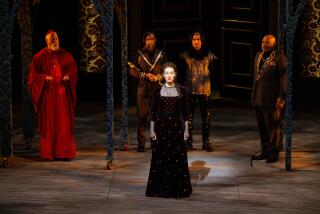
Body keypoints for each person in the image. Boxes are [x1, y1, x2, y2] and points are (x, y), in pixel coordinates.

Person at [28, 30, 78, 160]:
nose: (53, 41)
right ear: (46, 41)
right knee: (49, 124)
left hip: (62, 96)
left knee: (63, 123)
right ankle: (48, 153)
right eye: (50, 39)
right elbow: (32, 77)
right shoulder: (39, 57)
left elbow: (73, 71)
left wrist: (68, 76)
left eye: (55, 38)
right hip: (48, 96)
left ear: (58, 39)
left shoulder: (66, 55)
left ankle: (64, 153)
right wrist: (44, 78)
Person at [146, 62, 192, 198]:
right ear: (163, 75)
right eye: (166, 73)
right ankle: (160, 189)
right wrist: (152, 130)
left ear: (175, 74)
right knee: (161, 157)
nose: (169, 75)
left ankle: (176, 189)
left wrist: (187, 130)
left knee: (176, 158)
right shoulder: (157, 91)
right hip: (161, 129)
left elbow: (185, 113)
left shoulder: (182, 91)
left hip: (177, 128)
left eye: (171, 73)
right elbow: (153, 113)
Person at [128, 32, 167, 152]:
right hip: (143, 90)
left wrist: (158, 77)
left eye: (152, 39)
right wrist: (145, 75)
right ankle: (141, 143)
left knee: (156, 118)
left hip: (157, 90)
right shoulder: (138, 54)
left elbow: (168, 69)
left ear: (155, 40)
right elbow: (131, 70)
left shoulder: (161, 54)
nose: (150, 41)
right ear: (144, 40)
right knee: (142, 117)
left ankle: (155, 141)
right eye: (148, 39)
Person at [179, 31, 218, 152]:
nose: (196, 42)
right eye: (194, 39)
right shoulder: (184, 56)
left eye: (198, 39)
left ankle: (206, 141)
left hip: (204, 90)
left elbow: (214, 73)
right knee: (188, 116)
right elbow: (180, 74)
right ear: (191, 41)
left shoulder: (209, 56)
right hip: (190, 90)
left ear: (202, 41)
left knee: (205, 117)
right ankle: (188, 141)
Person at [251, 34, 286, 163]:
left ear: (273, 45)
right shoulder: (258, 56)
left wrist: (281, 97)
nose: (263, 44)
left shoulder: (279, 58)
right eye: (263, 42)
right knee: (262, 128)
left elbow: (283, 80)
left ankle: (274, 153)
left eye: (267, 43)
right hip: (259, 97)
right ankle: (265, 151)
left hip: (272, 99)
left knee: (272, 128)